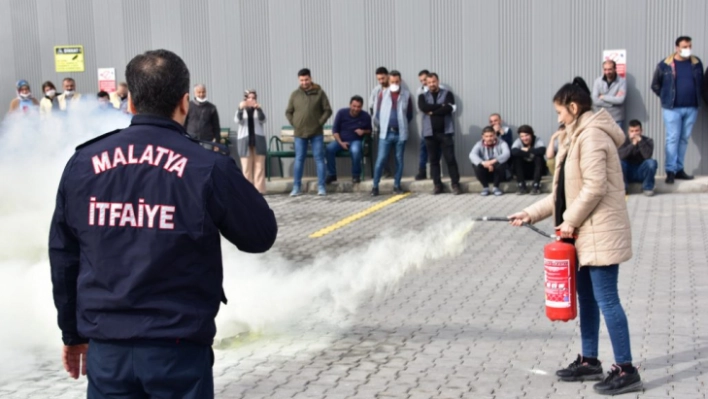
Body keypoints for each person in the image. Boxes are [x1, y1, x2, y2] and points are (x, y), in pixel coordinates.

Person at [49, 49, 277, 399]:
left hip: (108, 350)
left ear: (130, 103)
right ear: (185, 103)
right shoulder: (205, 165)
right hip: (177, 349)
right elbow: (260, 235)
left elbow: (64, 256)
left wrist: (72, 335)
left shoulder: (83, 163)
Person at [508, 79, 641, 396]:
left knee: (607, 299)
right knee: (588, 299)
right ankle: (589, 360)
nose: (557, 119)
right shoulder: (574, 137)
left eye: (559, 111)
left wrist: (568, 222)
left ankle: (627, 369)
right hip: (581, 232)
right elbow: (564, 194)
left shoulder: (593, 136)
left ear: (573, 107)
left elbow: (594, 187)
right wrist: (529, 213)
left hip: (599, 232)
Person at [651, 35, 703, 184]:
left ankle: (679, 169)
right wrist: (665, 97)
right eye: (684, 47)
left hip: (691, 107)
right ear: (677, 48)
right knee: (673, 138)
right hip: (672, 109)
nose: (687, 49)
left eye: (689, 46)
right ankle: (670, 171)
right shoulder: (665, 65)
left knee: (684, 139)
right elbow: (655, 85)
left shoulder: (696, 63)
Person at [285, 68, 332, 196]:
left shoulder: (319, 93)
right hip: (300, 133)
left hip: (316, 132)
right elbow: (288, 111)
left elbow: (328, 110)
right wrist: (294, 122)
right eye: (301, 80)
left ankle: (321, 187)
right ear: (298, 80)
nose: (304, 82)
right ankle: (296, 187)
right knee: (299, 159)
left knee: (319, 159)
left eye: (306, 79)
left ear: (310, 78)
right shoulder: (295, 94)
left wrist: (320, 122)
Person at [371, 70, 412, 196]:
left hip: (400, 133)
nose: (394, 83)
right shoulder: (382, 94)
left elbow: (409, 114)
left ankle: (397, 185)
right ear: (389, 81)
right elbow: (376, 113)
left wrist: (402, 126)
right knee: (381, 159)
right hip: (385, 133)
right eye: (392, 81)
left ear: (400, 81)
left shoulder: (406, 94)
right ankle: (375, 186)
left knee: (399, 160)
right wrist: (382, 126)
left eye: (397, 81)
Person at [419, 72, 460, 195]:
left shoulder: (448, 94)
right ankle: (437, 185)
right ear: (426, 83)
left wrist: (433, 111)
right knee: (433, 161)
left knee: (450, 159)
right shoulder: (422, 96)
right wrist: (440, 106)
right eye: (429, 82)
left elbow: (449, 108)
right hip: (429, 133)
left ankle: (455, 184)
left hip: (445, 132)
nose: (432, 84)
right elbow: (423, 107)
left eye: (434, 82)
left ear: (438, 81)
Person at [325, 95, 371, 184]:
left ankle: (356, 175)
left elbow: (370, 131)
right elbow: (335, 130)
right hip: (341, 140)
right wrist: (340, 142)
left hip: (356, 141)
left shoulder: (365, 116)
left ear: (361, 107)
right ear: (350, 105)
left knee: (355, 151)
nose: (356, 109)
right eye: (354, 106)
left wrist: (363, 131)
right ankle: (332, 174)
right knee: (329, 148)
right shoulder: (341, 113)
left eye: (359, 107)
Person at [235, 89, 267, 194]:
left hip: (258, 140)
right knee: (246, 168)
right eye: (249, 98)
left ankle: (260, 190)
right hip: (245, 141)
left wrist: (259, 109)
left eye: (253, 98)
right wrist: (240, 108)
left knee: (259, 167)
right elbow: (238, 120)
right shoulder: (240, 109)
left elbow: (263, 120)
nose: (251, 100)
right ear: (245, 99)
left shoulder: (258, 109)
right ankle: (247, 191)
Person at [618, 120, 657, 196]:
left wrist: (640, 142)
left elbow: (647, 156)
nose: (634, 133)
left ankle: (648, 187)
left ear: (641, 131)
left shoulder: (648, 141)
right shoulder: (623, 141)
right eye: (632, 131)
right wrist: (632, 145)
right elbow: (620, 156)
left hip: (641, 171)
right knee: (620, 163)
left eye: (637, 131)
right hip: (628, 172)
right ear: (628, 132)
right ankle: (624, 188)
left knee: (651, 163)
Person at [469, 126, 510, 196]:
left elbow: (507, 154)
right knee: (476, 164)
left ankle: (496, 187)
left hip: (498, 172)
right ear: (483, 136)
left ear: (495, 135)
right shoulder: (479, 144)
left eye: (491, 136)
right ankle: (485, 187)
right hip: (485, 171)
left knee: (501, 163)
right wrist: (484, 163)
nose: (489, 138)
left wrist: (492, 162)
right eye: (486, 136)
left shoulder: (502, 143)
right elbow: (472, 155)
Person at [510, 124, 546, 195]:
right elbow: (514, 152)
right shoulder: (518, 141)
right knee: (517, 158)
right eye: (522, 136)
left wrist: (528, 149)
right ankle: (521, 186)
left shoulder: (537, 140)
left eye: (526, 135)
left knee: (539, 157)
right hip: (523, 171)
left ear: (531, 134)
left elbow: (542, 150)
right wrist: (530, 153)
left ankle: (536, 185)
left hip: (536, 171)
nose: (524, 138)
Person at [591, 60, 626, 129]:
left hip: (617, 119)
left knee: (618, 140)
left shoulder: (622, 82)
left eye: (610, 69)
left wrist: (603, 97)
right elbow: (595, 100)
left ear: (615, 69)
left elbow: (620, 100)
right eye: (605, 69)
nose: (607, 72)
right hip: (601, 117)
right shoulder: (598, 81)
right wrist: (612, 103)